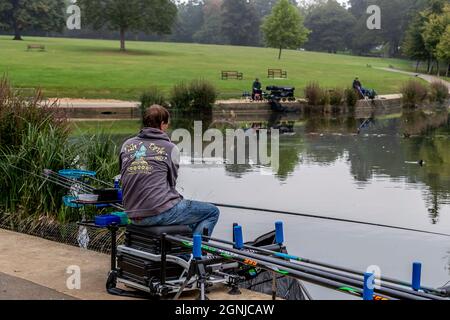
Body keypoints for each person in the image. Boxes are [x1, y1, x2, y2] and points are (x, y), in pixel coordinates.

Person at [119, 105, 220, 236]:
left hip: (131, 214)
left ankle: (181, 253)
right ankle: (196, 254)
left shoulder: (126, 145)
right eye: (167, 124)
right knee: (212, 212)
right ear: (162, 124)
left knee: (188, 214)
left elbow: (124, 175)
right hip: (157, 213)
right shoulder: (170, 148)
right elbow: (172, 183)